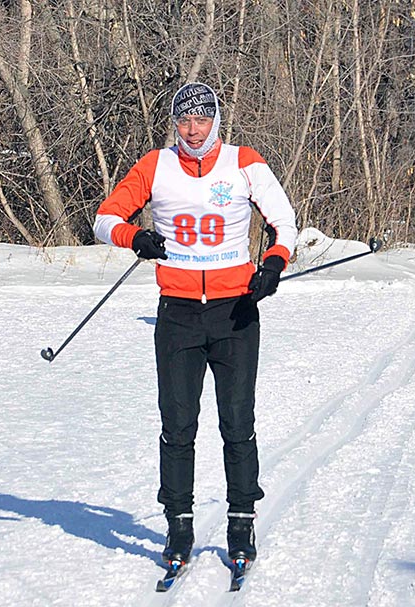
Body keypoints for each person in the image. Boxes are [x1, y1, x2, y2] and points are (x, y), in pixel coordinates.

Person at [93, 82, 298, 572]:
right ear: (174, 123)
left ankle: (241, 521)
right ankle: (178, 524)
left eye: (202, 121)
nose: (193, 130)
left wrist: (273, 262)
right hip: (179, 315)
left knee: (237, 422)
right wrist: (134, 236)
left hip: (235, 312)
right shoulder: (155, 165)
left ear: (216, 122)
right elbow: (104, 218)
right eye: (184, 121)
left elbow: (284, 221)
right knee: (178, 425)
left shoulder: (244, 161)